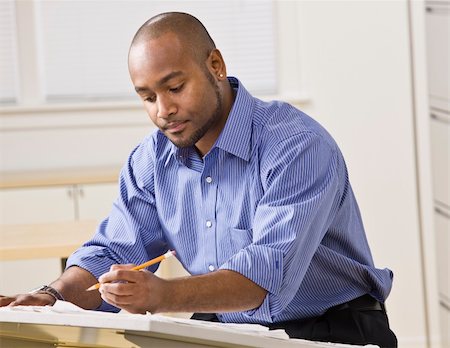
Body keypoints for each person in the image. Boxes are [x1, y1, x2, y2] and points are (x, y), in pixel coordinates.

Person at [0, 12, 397, 347]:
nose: (163, 110)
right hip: (230, 325)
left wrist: (163, 296)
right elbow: (113, 249)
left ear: (215, 66)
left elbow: (263, 277)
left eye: (175, 87)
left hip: (332, 328)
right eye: (148, 96)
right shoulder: (151, 159)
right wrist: (50, 295)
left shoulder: (296, 147)